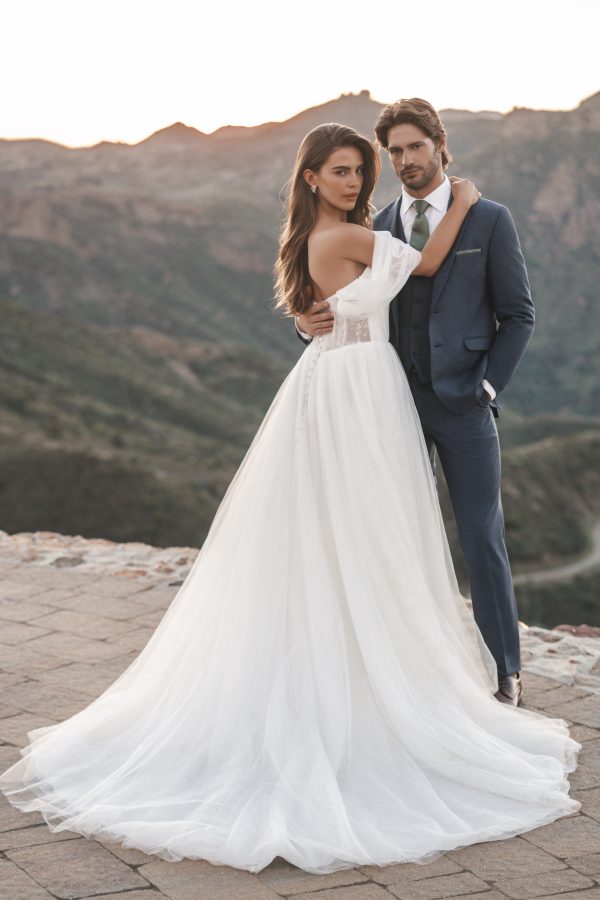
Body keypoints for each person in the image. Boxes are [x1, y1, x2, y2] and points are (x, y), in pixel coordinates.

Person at [0, 124, 580, 876]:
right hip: (362, 390)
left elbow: (397, 304)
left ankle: (497, 672)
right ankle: (374, 682)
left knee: (437, 535)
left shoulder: (350, 230)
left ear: (432, 146)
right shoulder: (359, 230)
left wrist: (331, 322)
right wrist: (464, 195)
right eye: (344, 170)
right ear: (310, 178)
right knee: (361, 535)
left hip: (391, 389)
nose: (359, 180)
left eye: (362, 170)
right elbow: (426, 264)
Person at [297, 99, 534, 708]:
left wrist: (485, 389)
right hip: (386, 400)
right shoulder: (371, 223)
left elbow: (518, 315)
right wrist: (305, 324)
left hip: (463, 405)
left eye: (414, 147)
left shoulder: (487, 218)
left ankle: (505, 671)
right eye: (394, 152)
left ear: (439, 145)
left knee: (481, 535)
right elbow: (342, 296)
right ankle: (412, 667)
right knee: (392, 532)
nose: (405, 160)